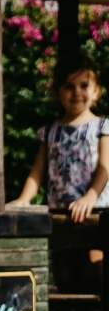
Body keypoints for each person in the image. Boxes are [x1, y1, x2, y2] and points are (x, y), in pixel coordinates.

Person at [10, 57, 109, 288]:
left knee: (96, 277)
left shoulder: (102, 127)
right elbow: (37, 173)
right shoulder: (50, 132)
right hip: (61, 216)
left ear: (96, 92)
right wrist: (24, 199)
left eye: (84, 85)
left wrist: (89, 198)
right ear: (57, 93)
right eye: (68, 86)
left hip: (95, 215)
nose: (76, 92)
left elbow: (105, 169)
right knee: (65, 278)